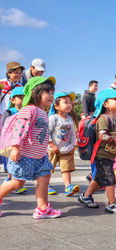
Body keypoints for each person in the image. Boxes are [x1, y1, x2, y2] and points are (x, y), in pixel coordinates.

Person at [0, 76, 62, 218]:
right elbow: (20, 130)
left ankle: (43, 208)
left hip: (40, 156)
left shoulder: (43, 112)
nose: (51, 96)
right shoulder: (29, 109)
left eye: (53, 93)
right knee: (17, 182)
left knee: (45, 178)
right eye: (48, 92)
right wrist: (15, 147)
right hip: (25, 156)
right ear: (36, 93)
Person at [77, 88, 116, 215]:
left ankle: (86, 196)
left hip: (110, 155)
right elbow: (102, 135)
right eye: (115, 99)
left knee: (99, 178)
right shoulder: (103, 119)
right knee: (109, 178)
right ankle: (112, 204)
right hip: (101, 155)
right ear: (105, 104)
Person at [48, 92, 80, 197]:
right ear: (56, 106)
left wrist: (72, 145)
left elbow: (72, 133)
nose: (69, 105)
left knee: (66, 169)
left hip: (66, 148)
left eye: (70, 102)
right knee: (48, 168)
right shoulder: (53, 118)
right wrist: (52, 145)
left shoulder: (69, 119)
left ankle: (68, 187)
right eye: (65, 102)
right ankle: (46, 185)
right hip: (52, 149)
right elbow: (47, 132)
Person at [1, 87, 27, 194]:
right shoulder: (9, 111)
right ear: (12, 100)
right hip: (11, 142)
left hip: (23, 142)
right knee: (12, 161)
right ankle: (11, 181)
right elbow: (4, 127)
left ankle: (13, 181)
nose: (23, 99)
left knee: (18, 162)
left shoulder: (28, 111)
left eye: (25, 97)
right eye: (20, 97)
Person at [0, 62, 24, 129]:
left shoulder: (21, 88)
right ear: (8, 73)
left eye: (20, 73)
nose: (18, 75)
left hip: (12, 116)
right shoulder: (1, 83)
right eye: (16, 73)